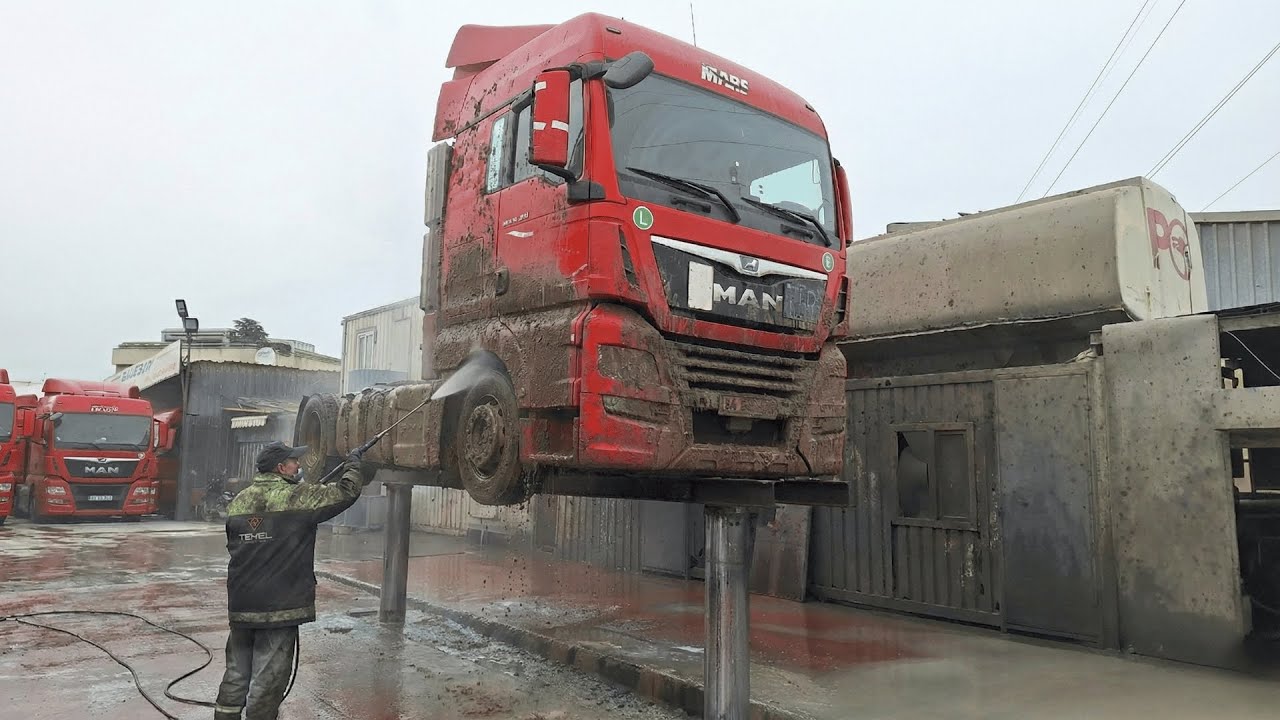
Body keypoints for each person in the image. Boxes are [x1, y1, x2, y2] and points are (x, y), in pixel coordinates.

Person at [213, 441, 368, 720]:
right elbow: (346, 492)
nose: (299, 465)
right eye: (294, 462)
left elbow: (234, 544)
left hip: (242, 604)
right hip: (278, 606)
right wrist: (354, 465)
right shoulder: (298, 497)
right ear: (281, 467)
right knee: (267, 679)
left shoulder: (240, 501)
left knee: (237, 673)